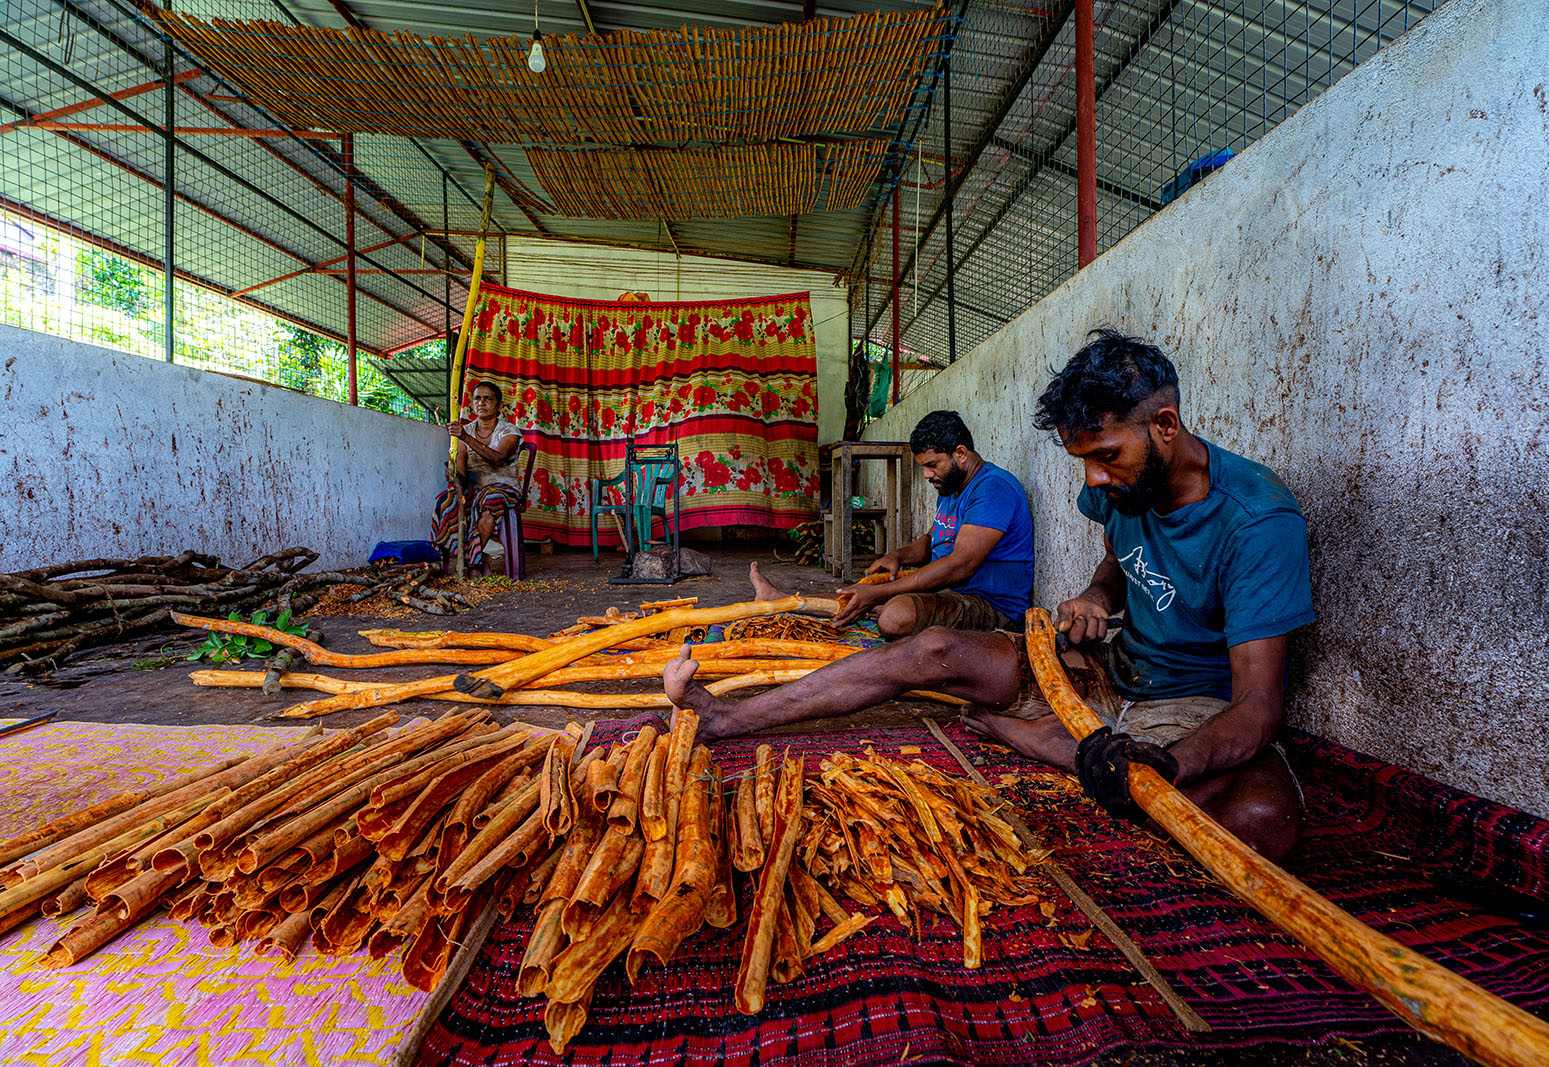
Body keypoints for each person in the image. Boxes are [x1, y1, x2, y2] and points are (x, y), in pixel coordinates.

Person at [665, 329, 1313, 861]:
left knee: (1262, 822)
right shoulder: (1122, 484)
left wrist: (1164, 764)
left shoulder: (1256, 520)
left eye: (1107, 454)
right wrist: (1094, 592)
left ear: (1165, 424)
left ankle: (1038, 739)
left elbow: (1257, 707)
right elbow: (1120, 555)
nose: (1092, 478)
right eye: (1080, 458)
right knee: (933, 647)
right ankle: (726, 717)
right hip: (1106, 669)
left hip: (1188, 704)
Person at [828, 410, 1035, 637]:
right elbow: (932, 540)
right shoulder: (950, 486)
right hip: (952, 593)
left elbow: (960, 565)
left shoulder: (993, 488)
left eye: (932, 465)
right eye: (924, 467)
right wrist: (897, 557)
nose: (927, 474)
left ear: (960, 453)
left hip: (992, 607)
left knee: (893, 617)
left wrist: (881, 594)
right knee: (856, 596)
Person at [430, 382, 527, 572]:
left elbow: (498, 458)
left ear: (499, 405)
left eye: (487, 398)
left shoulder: (509, 431)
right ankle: (451, 561)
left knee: (486, 499)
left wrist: (465, 438)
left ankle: (470, 560)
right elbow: (462, 477)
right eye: (477, 398)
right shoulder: (466, 431)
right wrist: (454, 477)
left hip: (504, 489)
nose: (481, 402)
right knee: (445, 501)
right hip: (474, 491)